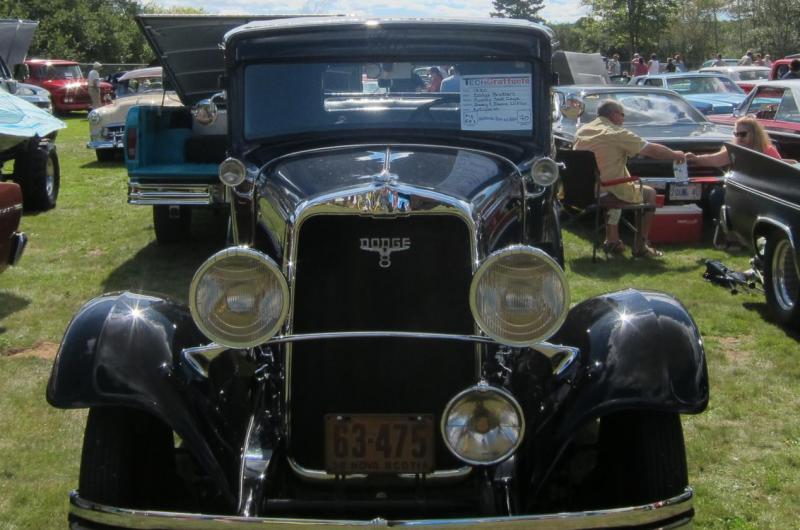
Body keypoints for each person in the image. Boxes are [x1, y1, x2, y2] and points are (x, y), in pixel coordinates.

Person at [573, 99, 686, 258]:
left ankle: (612, 240)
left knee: (618, 182)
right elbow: (652, 150)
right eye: (622, 115)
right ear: (614, 114)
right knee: (648, 193)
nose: (623, 119)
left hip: (580, 191)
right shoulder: (616, 133)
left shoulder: (582, 131)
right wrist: (676, 155)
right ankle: (641, 245)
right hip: (605, 190)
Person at [687, 117, 789, 229]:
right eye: (736, 134)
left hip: (762, 194)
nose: (739, 138)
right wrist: (695, 158)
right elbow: (714, 160)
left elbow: (780, 175)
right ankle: (725, 230)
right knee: (716, 194)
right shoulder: (735, 150)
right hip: (739, 192)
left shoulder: (768, 151)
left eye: (743, 134)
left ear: (754, 134)